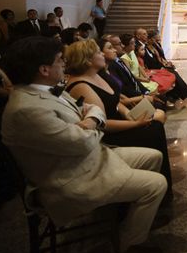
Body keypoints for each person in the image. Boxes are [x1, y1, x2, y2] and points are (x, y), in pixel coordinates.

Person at [1, 37, 167, 253]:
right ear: (44, 69)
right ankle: (127, 247)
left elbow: (89, 109)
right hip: (71, 178)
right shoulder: (27, 109)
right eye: (60, 60)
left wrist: (89, 122)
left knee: (153, 157)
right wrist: (93, 122)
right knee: (157, 184)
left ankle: (130, 216)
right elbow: (85, 141)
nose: (64, 64)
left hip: (89, 159)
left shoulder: (44, 90)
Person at [64, 39, 174, 201]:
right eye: (99, 52)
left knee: (156, 113)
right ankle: (157, 192)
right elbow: (103, 123)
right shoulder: (81, 85)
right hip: (108, 135)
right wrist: (136, 123)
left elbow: (116, 101)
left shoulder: (95, 75)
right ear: (87, 59)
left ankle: (160, 185)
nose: (103, 54)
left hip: (122, 119)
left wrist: (132, 115)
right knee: (154, 128)